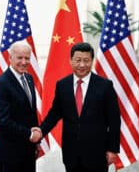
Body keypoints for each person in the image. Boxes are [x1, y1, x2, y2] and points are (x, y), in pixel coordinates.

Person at [38, 42, 121, 172]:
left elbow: (114, 120)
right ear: (71, 61)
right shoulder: (62, 85)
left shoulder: (105, 86)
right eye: (78, 60)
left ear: (92, 61)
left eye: (86, 60)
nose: (82, 65)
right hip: (71, 154)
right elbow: (55, 114)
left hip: (97, 154)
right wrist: (40, 132)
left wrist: (113, 149)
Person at [0, 40, 42, 172]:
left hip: (29, 152)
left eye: (27, 58)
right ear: (10, 58)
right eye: (20, 57)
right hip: (11, 154)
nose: (24, 62)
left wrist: (36, 142)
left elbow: (30, 113)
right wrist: (29, 134)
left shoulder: (29, 79)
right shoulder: (1, 83)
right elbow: (2, 121)